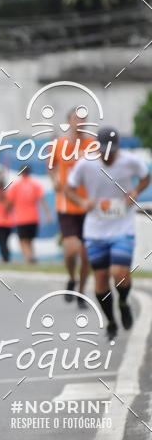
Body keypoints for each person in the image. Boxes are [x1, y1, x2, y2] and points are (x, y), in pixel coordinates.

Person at [65, 127, 150, 340]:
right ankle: (111, 321)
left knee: (119, 273)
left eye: (112, 151)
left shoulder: (130, 161)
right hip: (95, 229)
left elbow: (145, 176)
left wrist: (135, 192)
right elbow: (69, 188)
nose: (108, 155)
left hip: (123, 226)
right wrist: (82, 201)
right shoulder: (86, 163)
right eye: (104, 151)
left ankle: (123, 301)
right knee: (101, 279)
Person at [50, 108, 94, 305]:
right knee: (71, 249)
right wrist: (54, 179)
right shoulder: (59, 144)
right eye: (76, 119)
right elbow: (50, 165)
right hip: (66, 205)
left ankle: (82, 292)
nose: (80, 122)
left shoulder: (92, 145)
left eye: (83, 119)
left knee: (86, 254)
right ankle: (71, 277)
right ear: (69, 122)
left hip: (88, 206)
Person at [7, 165, 52, 263]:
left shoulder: (15, 186)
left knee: (23, 240)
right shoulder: (35, 185)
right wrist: (48, 214)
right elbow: (42, 201)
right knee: (30, 240)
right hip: (33, 218)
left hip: (21, 218)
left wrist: (7, 211)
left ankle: (29, 257)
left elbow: (10, 203)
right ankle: (31, 256)